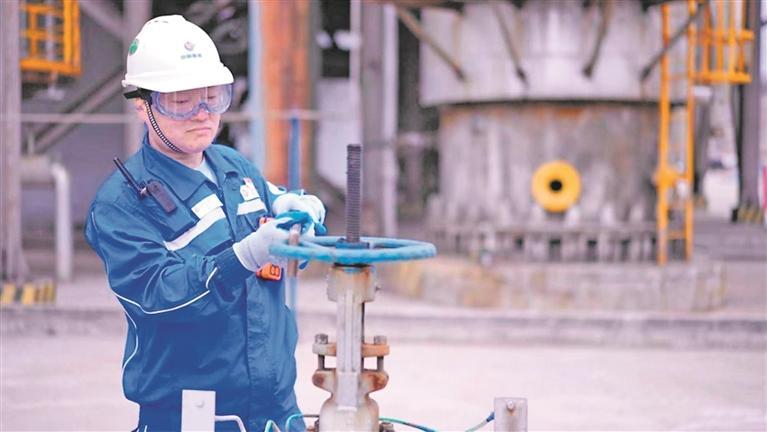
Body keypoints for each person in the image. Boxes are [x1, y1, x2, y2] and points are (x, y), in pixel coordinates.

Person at [84, 15, 325, 431]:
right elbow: (158, 295)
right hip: (190, 414)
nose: (202, 114)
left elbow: (276, 209)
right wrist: (245, 256)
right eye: (181, 100)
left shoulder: (233, 166)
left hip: (276, 408)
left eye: (213, 97)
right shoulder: (119, 205)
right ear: (142, 105)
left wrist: (297, 210)